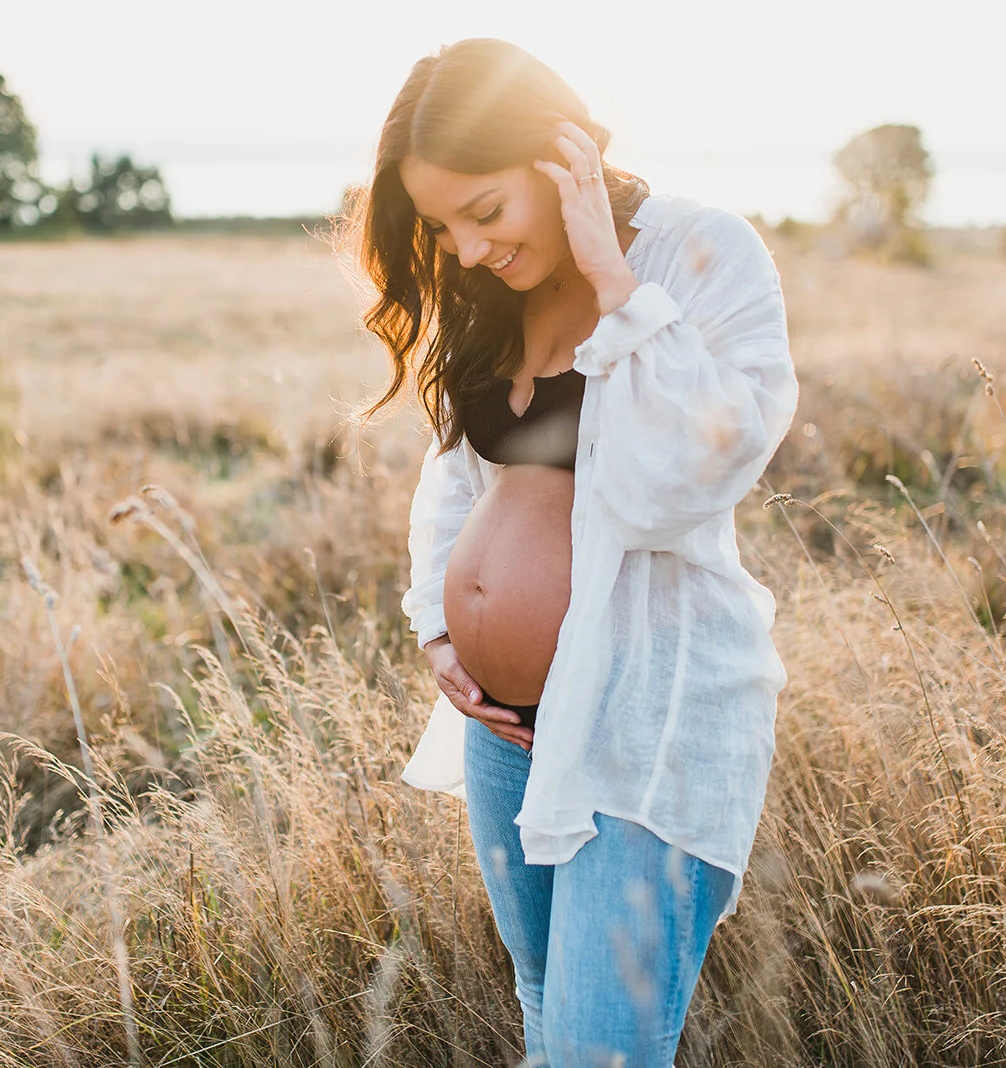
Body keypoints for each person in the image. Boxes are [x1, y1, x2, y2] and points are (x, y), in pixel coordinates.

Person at [342, 38, 798, 1067]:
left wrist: (611, 277)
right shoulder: (493, 292)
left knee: (602, 1049)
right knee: (545, 1001)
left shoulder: (699, 254)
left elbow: (689, 473)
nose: (464, 250)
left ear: (561, 158)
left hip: (646, 723)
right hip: (505, 734)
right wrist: (436, 632)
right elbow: (457, 477)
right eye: (441, 227)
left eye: (484, 212)